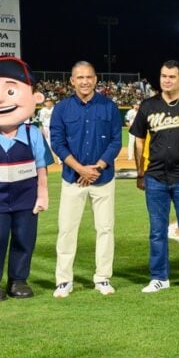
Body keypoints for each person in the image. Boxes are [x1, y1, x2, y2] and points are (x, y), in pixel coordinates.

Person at [0, 57, 54, 302]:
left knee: (24, 239)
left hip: (26, 198)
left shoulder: (33, 133)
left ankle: (18, 279)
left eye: (10, 91)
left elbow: (42, 168)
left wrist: (43, 195)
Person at [130, 60, 179, 294]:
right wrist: (140, 172)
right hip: (155, 176)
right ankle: (159, 277)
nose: (167, 80)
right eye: (164, 76)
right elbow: (139, 140)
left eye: (172, 76)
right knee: (157, 230)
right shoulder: (148, 106)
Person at [49, 61, 122, 298]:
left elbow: (115, 141)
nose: (84, 81)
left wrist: (97, 167)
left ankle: (102, 278)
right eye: (79, 77)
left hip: (103, 177)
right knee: (67, 230)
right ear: (72, 80)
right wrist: (81, 169)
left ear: (96, 79)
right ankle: (63, 280)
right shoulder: (61, 109)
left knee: (105, 229)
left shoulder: (109, 106)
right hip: (73, 178)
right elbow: (57, 143)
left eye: (89, 77)